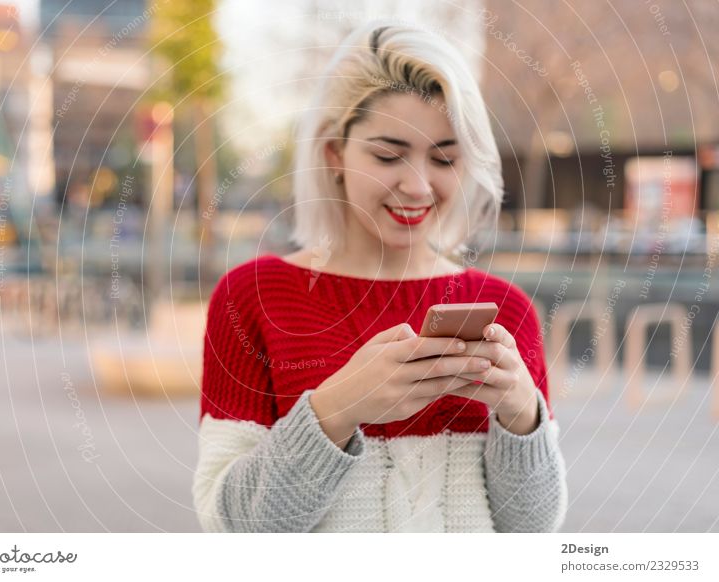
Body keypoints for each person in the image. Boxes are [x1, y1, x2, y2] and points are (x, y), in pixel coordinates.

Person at [192, 20, 567, 533]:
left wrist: (522, 416)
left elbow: (532, 530)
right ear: (335, 154)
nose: (417, 185)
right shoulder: (251, 298)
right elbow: (229, 525)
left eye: (444, 158)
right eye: (388, 155)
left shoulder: (507, 309)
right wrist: (337, 410)